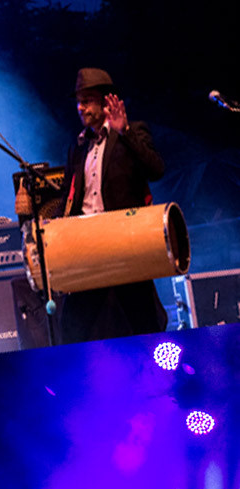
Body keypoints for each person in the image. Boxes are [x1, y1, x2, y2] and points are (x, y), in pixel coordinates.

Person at [58, 67, 168, 341]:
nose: (80, 107)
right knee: (73, 326)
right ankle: (78, 379)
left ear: (107, 100)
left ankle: (165, 372)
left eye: (87, 100)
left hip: (123, 241)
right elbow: (69, 197)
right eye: (78, 102)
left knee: (144, 321)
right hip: (87, 243)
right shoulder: (79, 146)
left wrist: (125, 132)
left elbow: (156, 170)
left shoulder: (131, 132)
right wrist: (57, 230)